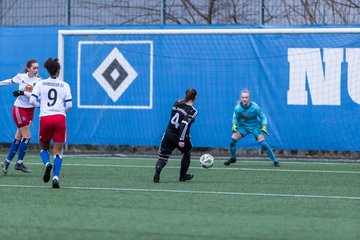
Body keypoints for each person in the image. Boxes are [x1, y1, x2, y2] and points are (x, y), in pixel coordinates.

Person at [29, 57, 72, 188]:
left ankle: (47, 164)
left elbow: (32, 101)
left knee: (43, 147)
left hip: (46, 118)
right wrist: (61, 111)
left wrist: (41, 107)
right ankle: (55, 177)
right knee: (58, 151)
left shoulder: (40, 84)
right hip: (60, 118)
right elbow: (69, 105)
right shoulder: (65, 85)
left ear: (48, 70)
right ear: (57, 71)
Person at [1, 59, 41, 174]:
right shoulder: (21, 76)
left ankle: (7, 162)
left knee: (19, 137)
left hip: (30, 110)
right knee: (27, 136)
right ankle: (19, 163)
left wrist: (24, 93)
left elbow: (35, 96)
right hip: (19, 109)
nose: (36, 70)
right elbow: (10, 81)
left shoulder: (39, 80)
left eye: (37, 68)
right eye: (34, 68)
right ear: (28, 68)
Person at [224, 88, 280, 167]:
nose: (244, 99)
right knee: (232, 141)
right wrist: (234, 125)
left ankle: (275, 161)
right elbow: (235, 118)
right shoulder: (238, 108)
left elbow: (263, 117)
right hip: (243, 127)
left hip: (255, 127)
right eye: (243, 97)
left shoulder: (255, 107)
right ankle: (233, 158)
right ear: (241, 98)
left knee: (263, 144)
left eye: (246, 97)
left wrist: (264, 126)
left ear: (249, 98)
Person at [153, 88, 198, 183]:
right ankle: (182, 176)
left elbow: (177, 116)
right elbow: (184, 123)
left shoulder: (177, 103)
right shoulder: (193, 111)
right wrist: (181, 139)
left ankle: (158, 170)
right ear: (194, 98)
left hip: (168, 134)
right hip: (180, 136)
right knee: (187, 151)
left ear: (186, 95)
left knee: (163, 157)